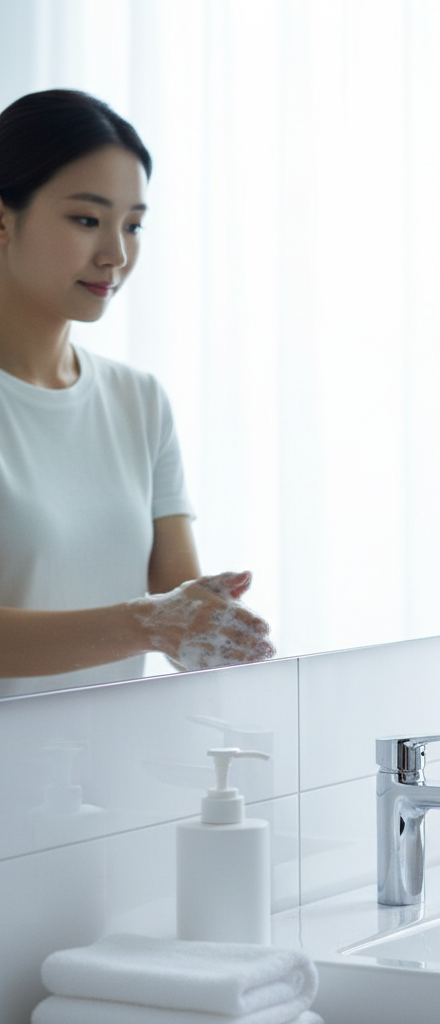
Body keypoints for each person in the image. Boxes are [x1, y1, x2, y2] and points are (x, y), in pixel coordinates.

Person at [0, 89, 274, 693]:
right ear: (3, 220)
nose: (116, 255)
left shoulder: (138, 402)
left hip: (102, 778)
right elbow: (155, 621)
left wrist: (217, 627)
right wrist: (145, 625)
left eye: (133, 225)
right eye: (86, 219)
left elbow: (179, 611)